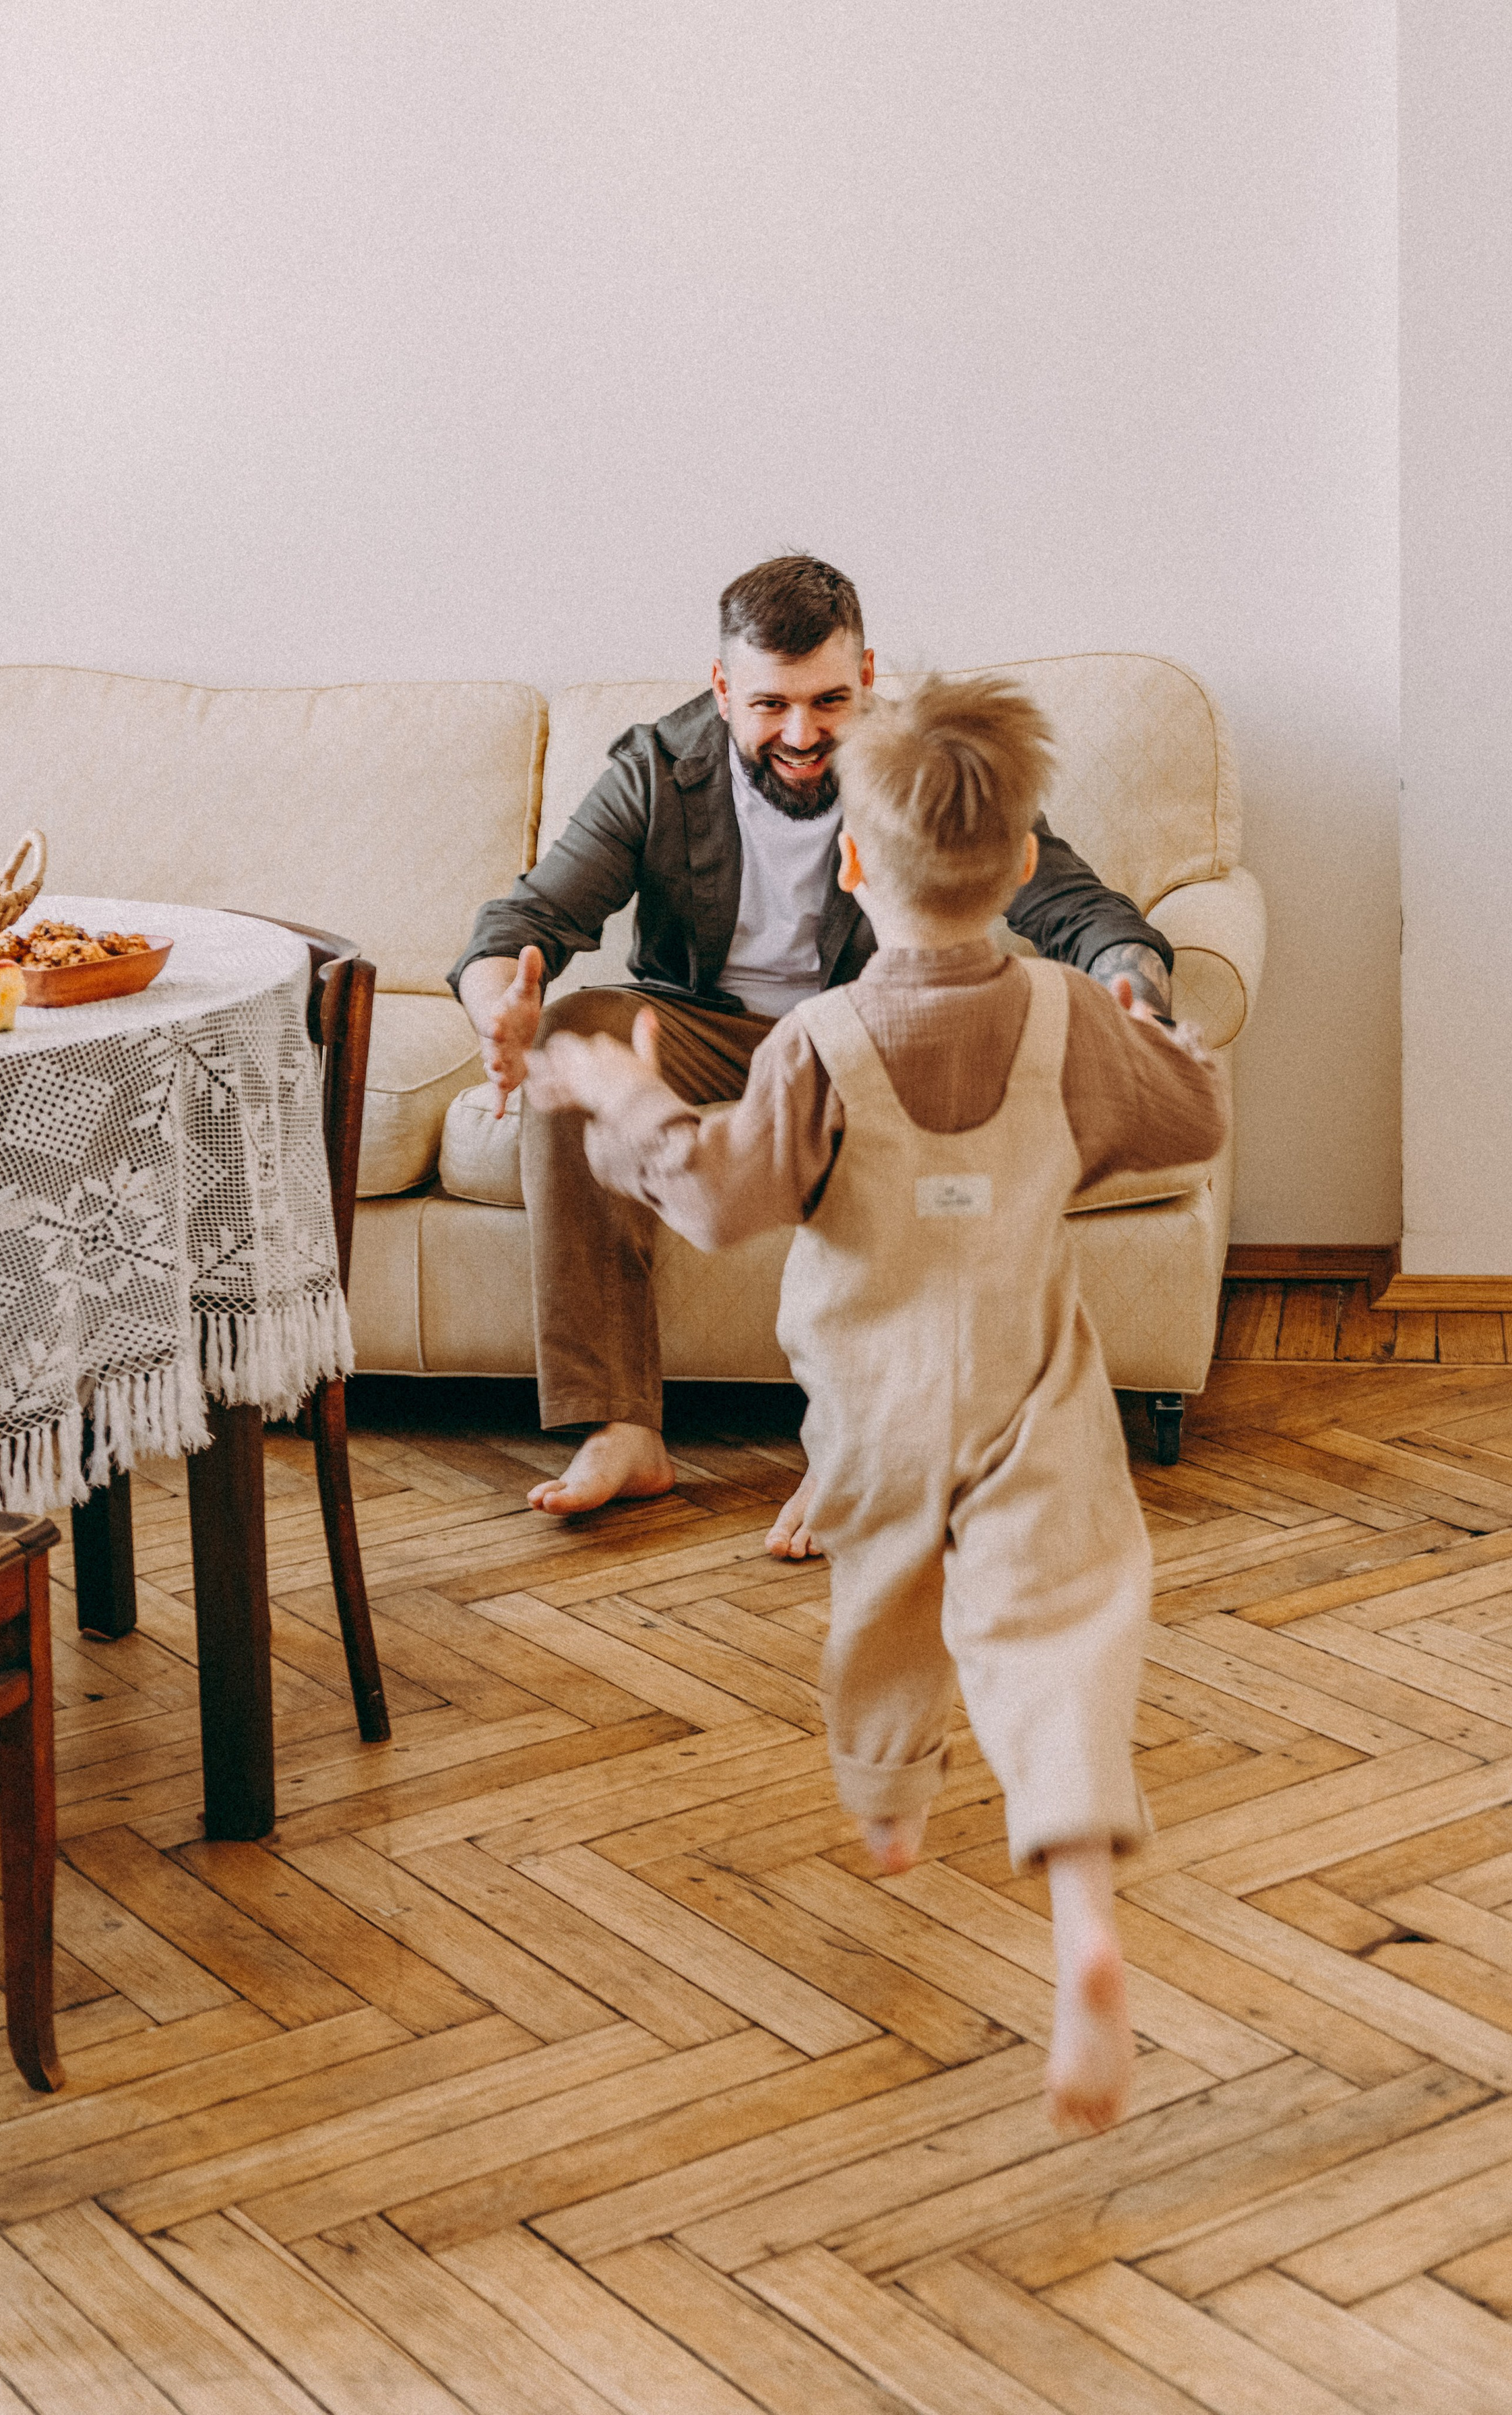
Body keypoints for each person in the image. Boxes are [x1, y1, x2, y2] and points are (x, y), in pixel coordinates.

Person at [523, 672, 1227, 2132]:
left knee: (883, 1596)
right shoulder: (1059, 1017)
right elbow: (1188, 1119)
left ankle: (892, 1804)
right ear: (1024, 862)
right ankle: (1083, 1919)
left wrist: (624, 1098)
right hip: (1034, 1387)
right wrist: (1135, 1046)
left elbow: (718, 1203)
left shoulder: (817, 1042)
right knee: (1058, 1628)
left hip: (869, 1402)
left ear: (852, 859)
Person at [450, 555, 1175, 1526]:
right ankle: (619, 1428)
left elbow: (1073, 903)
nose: (801, 735)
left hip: (866, 1028)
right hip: (705, 1023)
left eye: (829, 701)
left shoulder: (923, 763)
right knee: (583, 1032)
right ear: (723, 690)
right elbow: (520, 928)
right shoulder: (657, 770)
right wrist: (504, 1006)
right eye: (770, 706)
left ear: (867, 676)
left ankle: (871, 1440)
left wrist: (1132, 981)